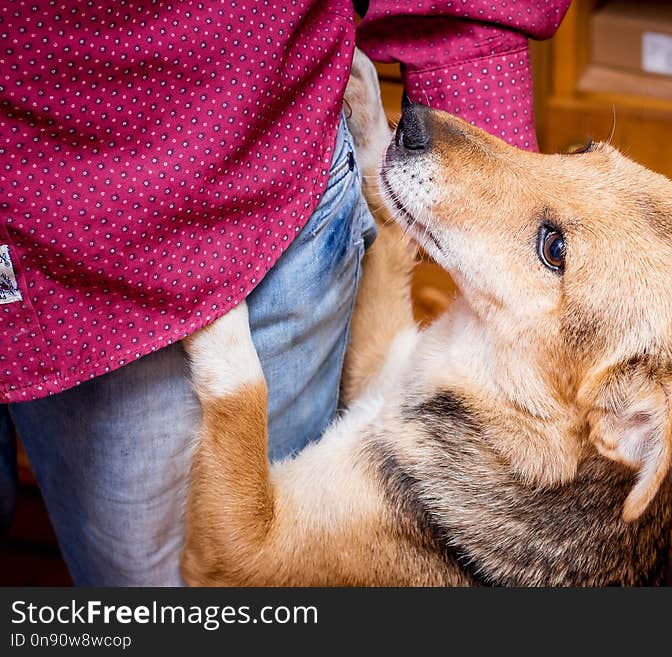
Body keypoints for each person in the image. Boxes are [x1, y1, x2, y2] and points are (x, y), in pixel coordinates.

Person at [0, 0, 570, 585]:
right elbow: (380, 367)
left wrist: (230, 375)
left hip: (229, 185)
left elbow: (231, 565)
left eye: (556, 250)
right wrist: (383, 184)